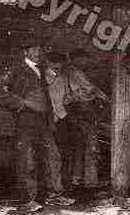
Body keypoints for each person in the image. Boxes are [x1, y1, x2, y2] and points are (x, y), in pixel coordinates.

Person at [0, 40, 75, 212]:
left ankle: (54, 195)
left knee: (53, 157)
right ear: (25, 52)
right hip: (25, 121)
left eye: (39, 48)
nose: (37, 51)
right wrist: (21, 103)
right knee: (27, 160)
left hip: (43, 121)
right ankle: (27, 200)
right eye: (33, 48)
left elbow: (45, 98)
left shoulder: (41, 70)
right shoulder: (16, 69)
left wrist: (50, 118)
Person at [45, 49, 108, 189]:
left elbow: (70, 95)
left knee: (71, 148)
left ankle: (71, 181)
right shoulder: (72, 73)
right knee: (63, 150)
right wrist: (102, 97)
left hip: (64, 116)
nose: (86, 62)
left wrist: (72, 98)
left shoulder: (64, 75)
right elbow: (89, 89)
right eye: (83, 59)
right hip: (58, 116)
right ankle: (69, 182)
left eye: (59, 64)